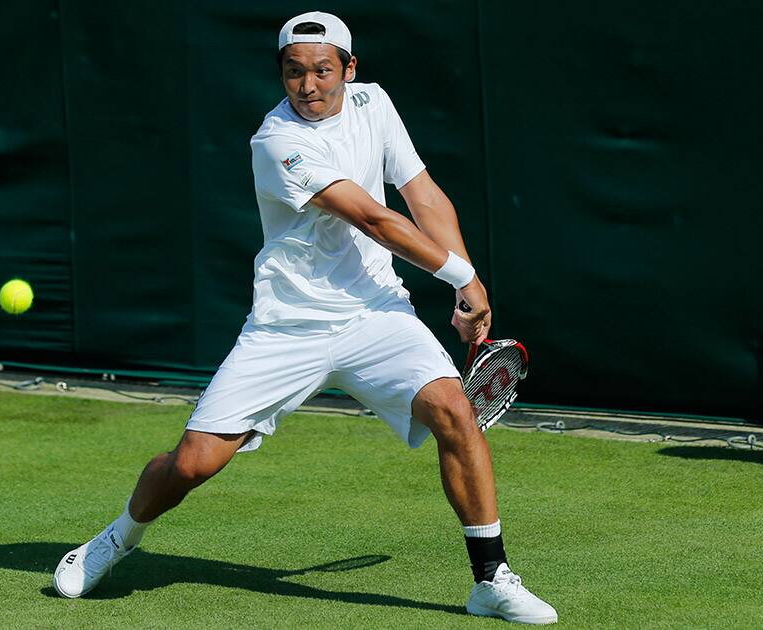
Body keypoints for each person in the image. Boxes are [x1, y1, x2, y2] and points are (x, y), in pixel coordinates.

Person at [54, 11, 557, 625]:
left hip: (376, 313)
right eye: (294, 73)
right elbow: (374, 218)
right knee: (192, 463)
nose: (309, 85)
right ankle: (117, 538)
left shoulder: (374, 104)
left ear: (350, 68)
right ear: (282, 77)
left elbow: (422, 195)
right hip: (288, 325)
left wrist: (466, 287)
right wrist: (462, 277)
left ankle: (491, 579)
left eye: (323, 70)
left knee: (455, 411)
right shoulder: (276, 141)